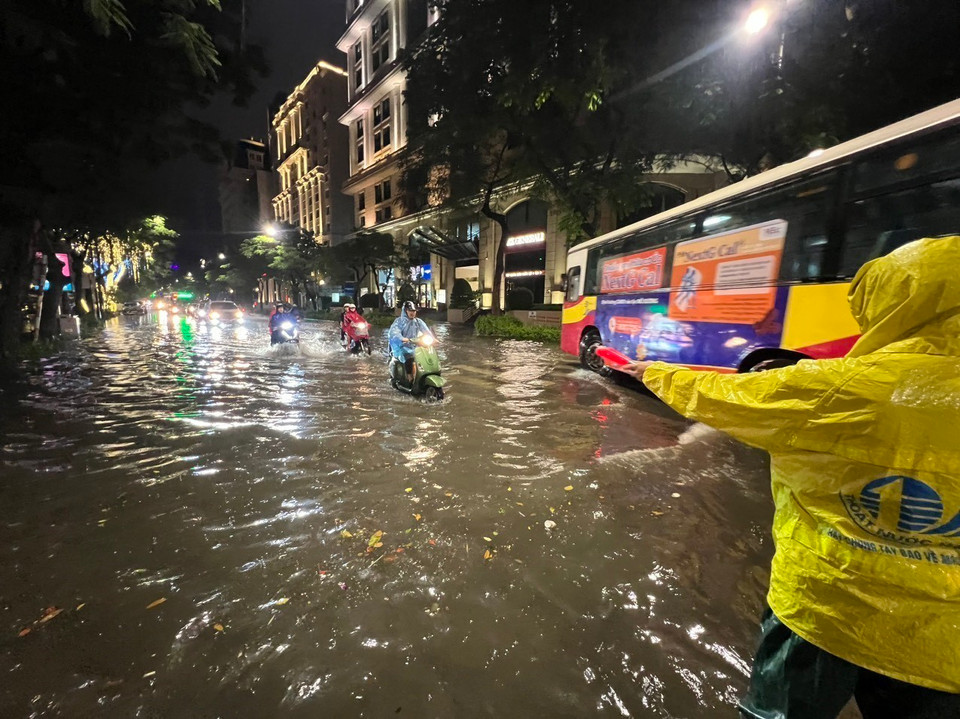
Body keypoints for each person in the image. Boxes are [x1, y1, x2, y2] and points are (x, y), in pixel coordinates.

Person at [625, 236, 960, 718]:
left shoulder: (836, 389)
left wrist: (655, 373)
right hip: (942, 648)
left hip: (823, 611)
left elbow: (725, 394)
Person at [388, 300, 434, 384]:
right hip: (402, 346)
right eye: (410, 311)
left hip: (415, 346)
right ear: (406, 311)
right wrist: (402, 338)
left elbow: (426, 331)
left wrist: (433, 339)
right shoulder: (399, 321)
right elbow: (394, 332)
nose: (412, 313)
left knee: (426, 356)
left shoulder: (418, 321)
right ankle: (410, 378)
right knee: (409, 358)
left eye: (414, 311)